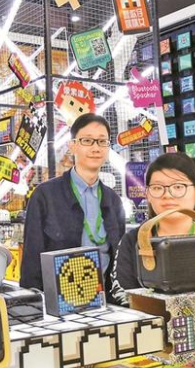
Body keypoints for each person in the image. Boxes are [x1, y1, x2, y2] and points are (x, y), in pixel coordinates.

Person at [20, 114, 124, 291]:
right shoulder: (45, 196)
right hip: (57, 300)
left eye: (102, 141)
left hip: (105, 300)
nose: (95, 148)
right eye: (87, 141)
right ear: (72, 145)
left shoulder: (113, 201)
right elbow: (32, 261)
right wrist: (33, 301)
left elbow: (118, 260)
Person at [109, 153, 195, 305]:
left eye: (178, 187)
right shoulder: (134, 240)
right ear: (147, 194)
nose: (167, 195)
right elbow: (123, 295)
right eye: (158, 188)